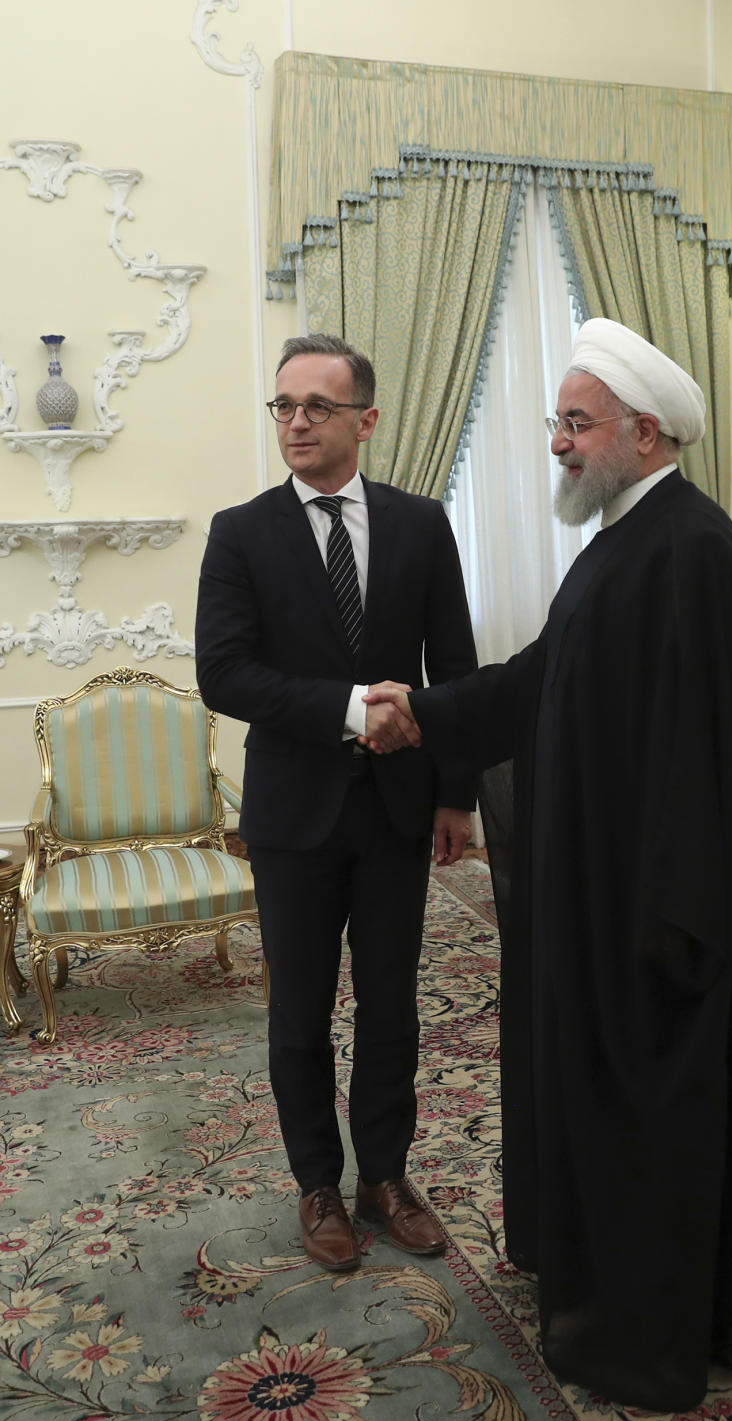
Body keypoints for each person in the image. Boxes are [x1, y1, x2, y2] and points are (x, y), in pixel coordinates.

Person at [362, 319, 732, 1411]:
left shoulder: (691, 546)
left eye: (576, 424)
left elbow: (694, 764)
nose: (560, 445)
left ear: (646, 430)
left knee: (656, 1120)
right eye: (557, 424)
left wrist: (664, 924)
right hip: (610, 894)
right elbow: (540, 680)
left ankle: (656, 1326)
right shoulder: (629, 535)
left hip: (655, 915)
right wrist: (423, 710)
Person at [195, 333, 477, 1273]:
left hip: (399, 812)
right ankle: (317, 1183)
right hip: (293, 816)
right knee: (302, 1011)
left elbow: (457, 667)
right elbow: (224, 674)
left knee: (393, 1007)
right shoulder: (241, 532)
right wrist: (353, 711)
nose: (297, 422)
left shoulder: (421, 524)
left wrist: (456, 795)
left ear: (366, 418)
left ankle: (385, 1177)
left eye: (317, 406)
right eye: (284, 406)